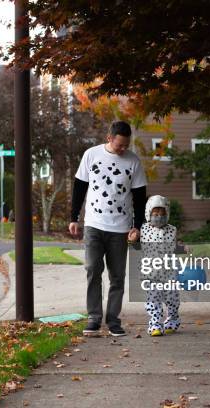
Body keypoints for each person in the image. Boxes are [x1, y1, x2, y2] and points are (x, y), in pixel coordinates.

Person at [69, 121, 147, 337]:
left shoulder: (133, 161)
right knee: (93, 270)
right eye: (120, 145)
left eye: (126, 145)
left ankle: (113, 320)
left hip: (120, 228)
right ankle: (94, 318)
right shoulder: (91, 155)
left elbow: (140, 197)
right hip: (94, 224)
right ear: (109, 138)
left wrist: (137, 226)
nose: (123, 149)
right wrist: (74, 217)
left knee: (117, 276)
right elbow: (79, 187)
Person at [140, 195, 182, 336]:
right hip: (151, 274)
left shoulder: (172, 230)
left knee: (172, 299)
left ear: (167, 214)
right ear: (149, 214)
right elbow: (137, 247)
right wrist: (131, 241)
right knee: (154, 300)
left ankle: (172, 320)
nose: (159, 217)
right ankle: (155, 324)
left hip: (169, 273)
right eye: (156, 214)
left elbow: (174, 248)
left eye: (162, 214)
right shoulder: (144, 230)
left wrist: (184, 249)